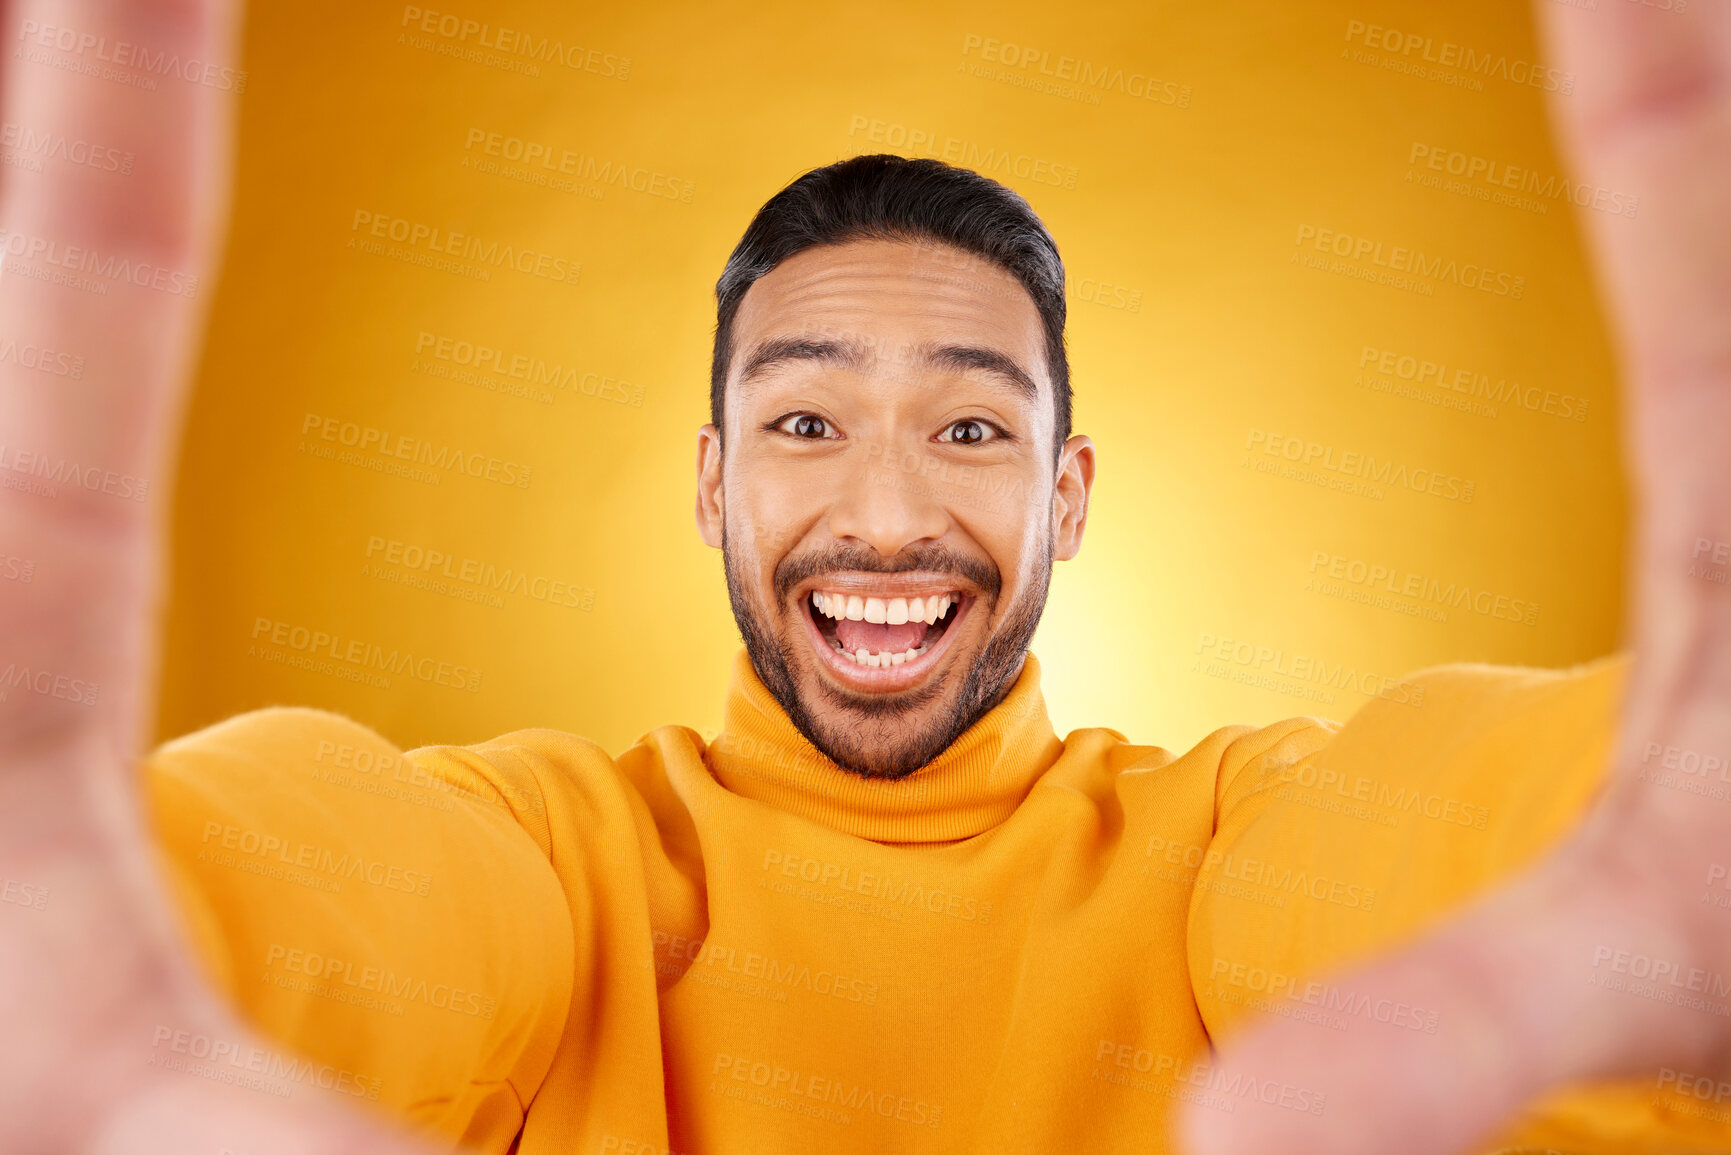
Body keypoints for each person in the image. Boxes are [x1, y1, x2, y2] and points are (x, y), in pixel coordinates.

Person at [2, 2, 1727, 1153]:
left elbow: (1430, 827)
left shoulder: (1227, 853)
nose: (886, 514)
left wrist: (1637, 820)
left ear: (1069, 498)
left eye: (971, 435)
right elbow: (325, 881)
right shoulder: (552, 865)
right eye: (808, 420)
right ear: (710, 482)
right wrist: (121, 929)